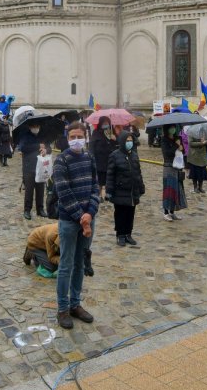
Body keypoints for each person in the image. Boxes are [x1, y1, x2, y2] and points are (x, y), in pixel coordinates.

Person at [53, 122, 99, 330]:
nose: (76, 139)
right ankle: (62, 308)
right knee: (66, 265)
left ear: (86, 136)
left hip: (88, 219)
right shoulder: (61, 160)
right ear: (67, 137)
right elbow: (63, 192)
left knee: (80, 263)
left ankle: (75, 304)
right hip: (70, 221)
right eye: (72, 136)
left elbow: (95, 186)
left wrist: (90, 212)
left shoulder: (89, 158)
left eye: (79, 136)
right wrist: (82, 217)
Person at [105, 130, 145, 246]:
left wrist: (141, 186)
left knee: (130, 213)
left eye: (131, 140)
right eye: (127, 141)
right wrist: (109, 191)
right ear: (122, 141)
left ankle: (128, 234)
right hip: (120, 191)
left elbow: (138, 172)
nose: (129, 143)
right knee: (120, 214)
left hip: (132, 191)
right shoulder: (114, 155)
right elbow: (110, 174)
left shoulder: (134, 155)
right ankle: (120, 235)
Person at [16, 121, 45, 220]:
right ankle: (27, 210)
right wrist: (38, 146)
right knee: (29, 190)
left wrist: (46, 150)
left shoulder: (42, 135)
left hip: (41, 166)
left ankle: (40, 209)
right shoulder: (25, 136)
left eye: (38, 125)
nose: (36, 128)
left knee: (41, 189)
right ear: (30, 127)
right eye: (34, 126)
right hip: (29, 166)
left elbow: (48, 147)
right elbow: (23, 148)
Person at [159, 125, 188, 221]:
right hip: (168, 167)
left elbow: (183, 151)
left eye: (174, 127)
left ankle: (172, 212)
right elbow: (166, 153)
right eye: (171, 127)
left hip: (177, 167)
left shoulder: (178, 138)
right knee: (168, 189)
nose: (173, 129)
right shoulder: (164, 140)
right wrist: (176, 145)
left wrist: (181, 147)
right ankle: (166, 212)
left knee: (176, 189)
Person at [89, 117, 116, 202]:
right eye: (104, 123)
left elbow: (116, 146)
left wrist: (115, 139)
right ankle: (100, 195)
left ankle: (108, 194)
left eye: (107, 122)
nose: (105, 124)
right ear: (100, 123)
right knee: (100, 179)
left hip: (109, 159)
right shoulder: (96, 132)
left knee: (108, 178)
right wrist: (92, 157)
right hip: (99, 160)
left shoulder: (111, 132)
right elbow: (92, 146)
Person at [186, 126, 207, 193]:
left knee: (202, 173)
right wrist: (201, 143)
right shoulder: (191, 131)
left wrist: (205, 141)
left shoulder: (204, 131)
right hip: (194, 156)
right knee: (194, 174)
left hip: (203, 156)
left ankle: (200, 187)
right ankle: (195, 187)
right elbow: (190, 143)